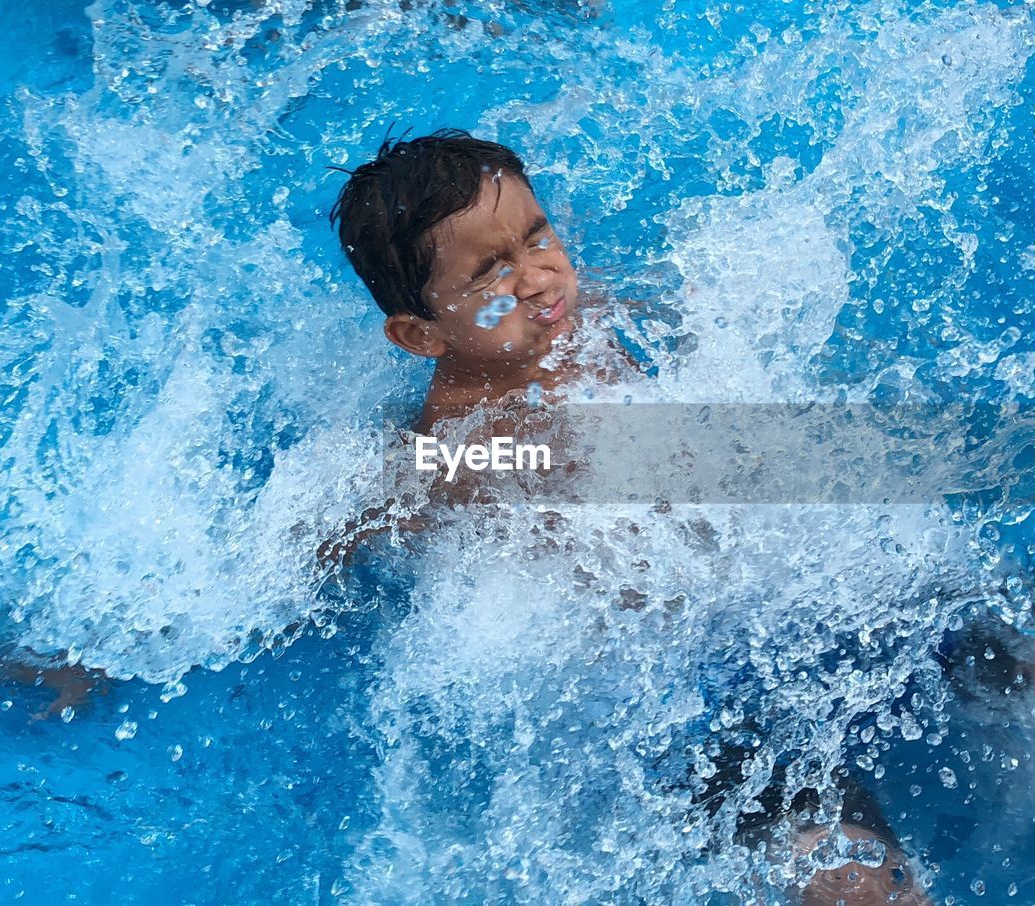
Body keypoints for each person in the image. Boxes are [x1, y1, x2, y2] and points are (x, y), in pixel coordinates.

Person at [326, 127, 929, 904]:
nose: (538, 277)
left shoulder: (578, 314)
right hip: (678, 699)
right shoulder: (458, 447)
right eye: (490, 273)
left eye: (537, 236)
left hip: (771, 611)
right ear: (421, 334)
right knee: (851, 881)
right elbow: (356, 513)